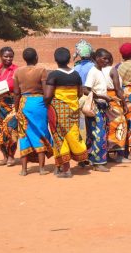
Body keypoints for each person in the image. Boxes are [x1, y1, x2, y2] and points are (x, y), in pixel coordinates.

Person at [44, 47, 88, 178]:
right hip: (73, 109)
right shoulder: (75, 75)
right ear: (69, 59)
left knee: (59, 138)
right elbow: (80, 93)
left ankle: (66, 170)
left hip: (58, 111)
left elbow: (47, 96)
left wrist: (47, 105)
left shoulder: (53, 75)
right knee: (72, 135)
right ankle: (61, 165)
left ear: (55, 60)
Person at [14, 48, 53, 176]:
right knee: (40, 133)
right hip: (39, 104)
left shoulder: (18, 72)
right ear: (36, 58)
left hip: (24, 104)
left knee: (24, 136)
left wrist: (16, 108)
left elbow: (16, 93)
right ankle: (41, 169)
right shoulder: (41, 70)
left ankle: (24, 169)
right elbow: (46, 91)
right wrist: (48, 104)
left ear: (25, 59)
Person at [84, 49, 114, 172]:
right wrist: (102, 97)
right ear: (96, 58)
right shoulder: (93, 72)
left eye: (108, 59)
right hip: (95, 106)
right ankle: (97, 162)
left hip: (101, 106)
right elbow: (86, 89)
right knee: (98, 134)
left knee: (96, 133)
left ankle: (90, 158)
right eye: (104, 58)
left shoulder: (100, 71)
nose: (106, 61)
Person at [102, 51, 130, 163]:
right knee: (121, 124)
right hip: (114, 99)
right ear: (110, 59)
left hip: (103, 98)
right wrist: (124, 103)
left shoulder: (98, 70)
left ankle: (107, 155)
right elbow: (118, 89)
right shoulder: (112, 70)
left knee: (107, 126)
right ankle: (120, 155)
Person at [0, 47, 18, 166]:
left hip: (12, 104)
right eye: (6, 56)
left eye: (10, 56)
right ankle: (4, 156)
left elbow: (15, 85)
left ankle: (11, 156)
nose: (8, 59)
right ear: (0, 56)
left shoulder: (16, 70)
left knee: (11, 129)